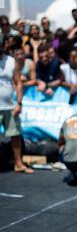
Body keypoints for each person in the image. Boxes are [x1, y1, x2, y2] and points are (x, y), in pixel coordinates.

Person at [0, 37, 33, 173]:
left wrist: (19, 103)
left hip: (10, 105)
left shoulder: (11, 61)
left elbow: (18, 82)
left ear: (4, 46)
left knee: (15, 135)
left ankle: (18, 164)